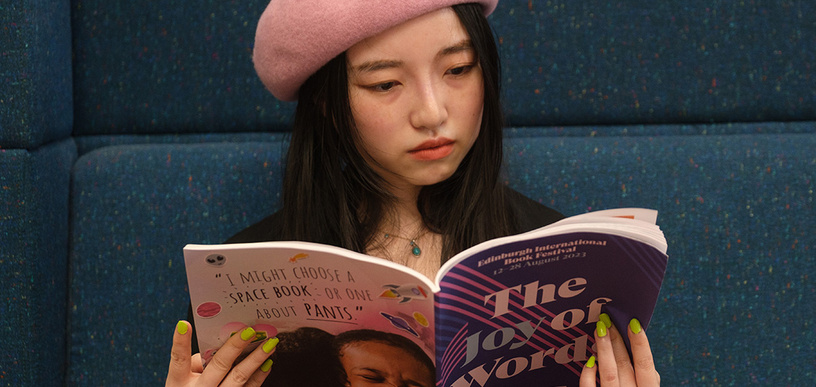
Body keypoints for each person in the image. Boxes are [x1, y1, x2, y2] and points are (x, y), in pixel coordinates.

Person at [166, 1, 660, 386]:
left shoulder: (562, 251)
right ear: (327, 103)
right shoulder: (243, 273)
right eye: (385, 84)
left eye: (458, 69)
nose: (431, 113)